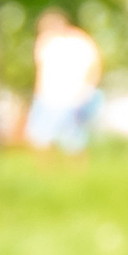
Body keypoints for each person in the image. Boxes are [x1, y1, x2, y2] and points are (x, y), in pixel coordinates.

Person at [28, 10, 104, 153]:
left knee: (73, 138)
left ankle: (75, 165)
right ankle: (47, 167)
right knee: (40, 136)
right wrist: (38, 93)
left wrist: (87, 89)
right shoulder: (44, 43)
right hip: (46, 96)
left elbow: (95, 66)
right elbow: (41, 70)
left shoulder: (79, 41)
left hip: (72, 96)